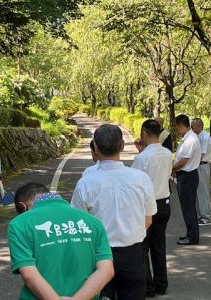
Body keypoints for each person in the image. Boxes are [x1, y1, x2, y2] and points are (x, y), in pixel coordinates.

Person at [71, 124, 157, 300]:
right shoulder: (141, 179)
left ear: (95, 147)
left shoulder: (86, 182)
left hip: (98, 256)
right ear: (122, 146)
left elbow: (78, 225)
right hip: (133, 254)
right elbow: (148, 221)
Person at [8, 182, 114, 300]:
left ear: (22, 206)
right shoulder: (92, 221)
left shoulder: (19, 224)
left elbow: (29, 275)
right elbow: (106, 270)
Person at [131, 120, 172, 297]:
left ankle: (148, 286)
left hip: (147, 206)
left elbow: (135, 180)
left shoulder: (142, 158)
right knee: (159, 245)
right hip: (165, 202)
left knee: (142, 247)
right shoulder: (167, 153)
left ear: (144, 133)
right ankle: (161, 284)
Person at [172, 114, 201, 245]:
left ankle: (192, 236)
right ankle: (190, 233)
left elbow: (183, 161)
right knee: (187, 207)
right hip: (186, 175)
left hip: (187, 176)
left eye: (176, 127)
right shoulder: (188, 138)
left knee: (188, 207)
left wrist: (172, 168)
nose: (177, 130)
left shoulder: (190, 140)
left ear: (181, 125)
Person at [191, 118, 211, 226]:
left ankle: (206, 217)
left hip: (202, 165)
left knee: (203, 192)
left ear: (199, 126)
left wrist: (191, 164)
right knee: (198, 192)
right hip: (198, 166)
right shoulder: (198, 136)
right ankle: (201, 215)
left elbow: (202, 154)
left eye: (193, 126)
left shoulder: (205, 136)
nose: (191, 127)